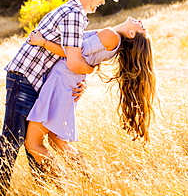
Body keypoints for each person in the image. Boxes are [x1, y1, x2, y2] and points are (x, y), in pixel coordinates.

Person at [0, 0, 119, 195]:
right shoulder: (73, 15)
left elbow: (73, 55)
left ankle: (44, 190)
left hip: (36, 81)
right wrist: (91, 69)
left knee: (32, 141)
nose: (102, 1)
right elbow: (74, 60)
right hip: (25, 78)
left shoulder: (73, 13)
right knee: (12, 137)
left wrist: (82, 78)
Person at [23, 16, 156, 184]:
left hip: (60, 82)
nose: (141, 22)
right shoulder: (113, 40)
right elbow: (82, 58)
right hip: (66, 82)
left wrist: (42, 42)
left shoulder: (111, 35)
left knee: (33, 144)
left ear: (131, 34)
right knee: (57, 142)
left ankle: (63, 185)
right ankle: (88, 180)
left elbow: (72, 54)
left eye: (142, 28)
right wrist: (86, 73)